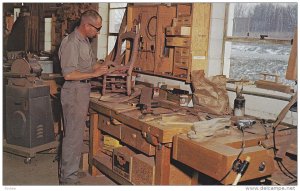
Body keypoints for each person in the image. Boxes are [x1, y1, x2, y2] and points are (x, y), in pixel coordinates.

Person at [58, 10, 108, 185]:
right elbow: (68, 75)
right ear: (87, 25)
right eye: (97, 29)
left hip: (82, 90)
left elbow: (91, 63)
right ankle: (68, 180)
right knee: (72, 137)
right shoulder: (71, 42)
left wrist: (104, 67)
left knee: (77, 135)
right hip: (74, 91)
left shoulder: (85, 40)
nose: (98, 32)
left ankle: (70, 174)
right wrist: (95, 74)